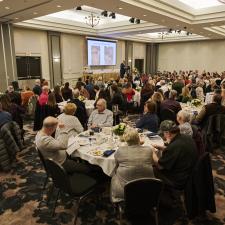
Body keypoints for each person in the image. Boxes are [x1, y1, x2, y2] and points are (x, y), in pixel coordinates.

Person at [111, 128, 154, 203]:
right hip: (148, 188)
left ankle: (116, 199)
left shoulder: (120, 150)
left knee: (113, 174)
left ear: (125, 140)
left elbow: (116, 166)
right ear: (138, 138)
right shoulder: (149, 150)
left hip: (125, 191)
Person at [152, 120, 197, 189]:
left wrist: (153, 153)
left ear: (168, 133)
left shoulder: (174, 146)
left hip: (178, 179)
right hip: (189, 172)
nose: (163, 136)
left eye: (164, 133)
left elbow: (160, 167)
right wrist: (161, 147)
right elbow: (176, 151)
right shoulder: (185, 137)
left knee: (150, 169)